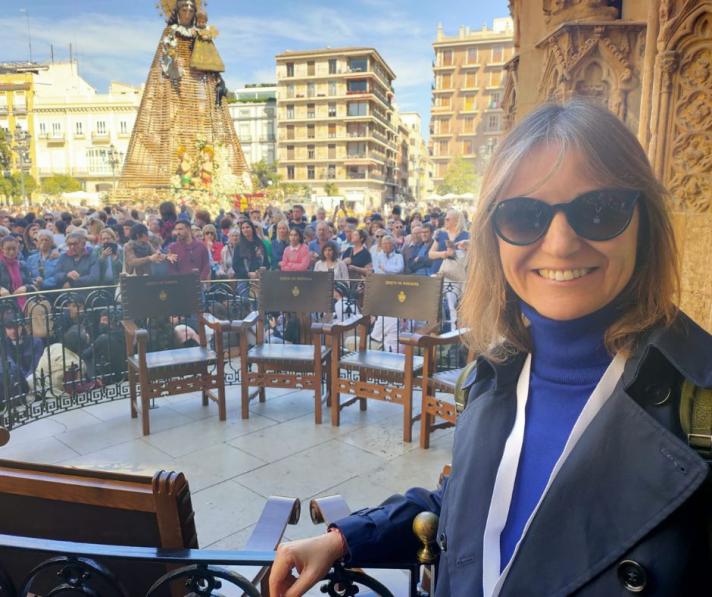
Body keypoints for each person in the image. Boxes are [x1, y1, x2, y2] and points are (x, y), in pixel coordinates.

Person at [269, 101, 712, 596]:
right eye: (526, 217)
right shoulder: (494, 373)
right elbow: (466, 506)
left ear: (644, 223)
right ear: (495, 236)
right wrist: (345, 539)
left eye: (599, 210)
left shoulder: (700, 412)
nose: (561, 244)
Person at [0, 236, 35, 310]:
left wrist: (25, 287)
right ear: (2, 249)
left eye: (14, 249)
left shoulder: (22, 265)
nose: (11, 252)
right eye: (8, 249)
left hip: (24, 304)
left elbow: (31, 283)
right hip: (4, 306)